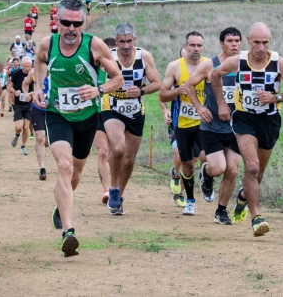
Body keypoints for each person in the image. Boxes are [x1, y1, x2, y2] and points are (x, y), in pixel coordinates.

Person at [32, 0, 123, 258]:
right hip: (57, 114)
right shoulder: (47, 45)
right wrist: (39, 88)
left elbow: (117, 78)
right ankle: (69, 232)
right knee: (64, 165)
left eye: (77, 23)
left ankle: (62, 205)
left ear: (83, 23)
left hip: (87, 118)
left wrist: (98, 89)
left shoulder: (93, 46)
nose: (71, 28)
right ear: (57, 22)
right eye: (66, 23)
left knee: (75, 174)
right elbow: (39, 61)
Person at [211, 22, 283, 236]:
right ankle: (256, 217)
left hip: (269, 121)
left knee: (258, 173)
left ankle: (244, 196)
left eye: (265, 42)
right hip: (244, 119)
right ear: (248, 41)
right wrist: (222, 104)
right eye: (256, 43)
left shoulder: (278, 63)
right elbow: (215, 76)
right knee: (251, 167)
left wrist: (276, 97)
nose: (261, 48)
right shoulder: (238, 62)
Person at [184, 27, 243, 225]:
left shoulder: (247, 64)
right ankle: (206, 172)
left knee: (232, 170)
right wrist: (200, 108)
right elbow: (189, 85)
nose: (234, 44)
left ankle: (221, 210)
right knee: (218, 168)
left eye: (237, 41)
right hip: (212, 127)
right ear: (221, 43)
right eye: (229, 41)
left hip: (237, 128)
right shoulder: (211, 64)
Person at [103, 23, 161, 215]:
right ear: (116, 41)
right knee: (118, 148)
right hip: (111, 107)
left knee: (129, 159)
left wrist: (141, 91)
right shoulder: (108, 56)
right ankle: (112, 189)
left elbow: (157, 83)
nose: (126, 46)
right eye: (122, 42)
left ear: (134, 40)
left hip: (136, 111)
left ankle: (119, 194)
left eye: (129, 41)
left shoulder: (144, 57)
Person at [159, 31, 207, 216]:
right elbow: (162, 94)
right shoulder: (175, 67)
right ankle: (191, 201)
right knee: (187, 164)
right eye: (192, 45)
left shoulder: (208, 65)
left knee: (207, 157)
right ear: (185, 47)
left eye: (199, 45)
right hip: (182, 122)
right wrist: (177, 92)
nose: (196, 49)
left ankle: (207, 179)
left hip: (204, 121)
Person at [93, 36, 117, 204]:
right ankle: (107, 190)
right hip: (98, 113)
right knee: (103, 151)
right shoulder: (92, 69)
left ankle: (116, 187)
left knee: (117, 152)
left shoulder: (120, 71)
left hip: (116, 114)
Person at [22, 70, 49, 181]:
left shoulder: (58, 69)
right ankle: (42, 168)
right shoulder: (34, 72)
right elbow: (25, 83)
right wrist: (25, 94)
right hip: (38, 108)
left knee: (48, 142)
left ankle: (42, 145)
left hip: (54, 110)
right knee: (40, 137)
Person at [9, 56, 34, 156]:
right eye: (25, 66)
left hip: (29, 105)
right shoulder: (16, 74)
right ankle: (16, 135)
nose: (27, 68)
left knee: (26, 126)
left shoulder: (34, 74)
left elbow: (39, 87)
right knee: (19, 127)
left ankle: (23, 146)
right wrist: (15, 91)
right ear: (21, 65)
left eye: (29, 66)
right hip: (19, 105)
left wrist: (32, 93)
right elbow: (9, 86)